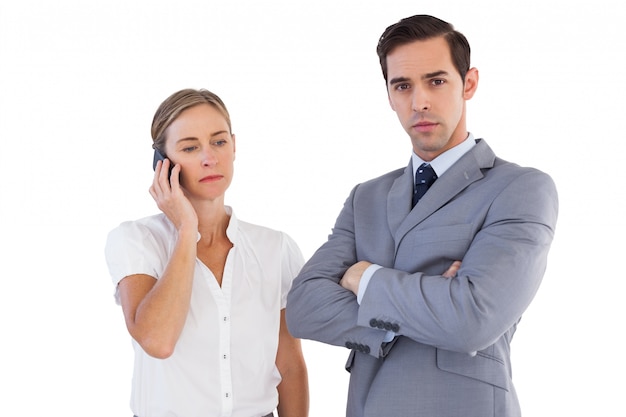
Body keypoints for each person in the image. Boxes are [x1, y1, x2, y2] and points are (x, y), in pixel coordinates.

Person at [285, 14, 558, 417]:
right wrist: (435, 301)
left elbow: (472, 320)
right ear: (389, 94)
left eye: (436, 81)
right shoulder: (367, 197)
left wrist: (365, 278)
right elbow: (304, 308)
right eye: (403, 86)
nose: (420, 102)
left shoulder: (520, 189)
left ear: (469, 83)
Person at [105, 88, 309, 417]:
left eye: (218, 141)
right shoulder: (136, 240)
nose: (209, 158)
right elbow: (158, 341)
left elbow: (289, 366)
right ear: (162, 163)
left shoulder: (276, 248)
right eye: (190, 147)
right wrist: (188, 229)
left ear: (234, 145)